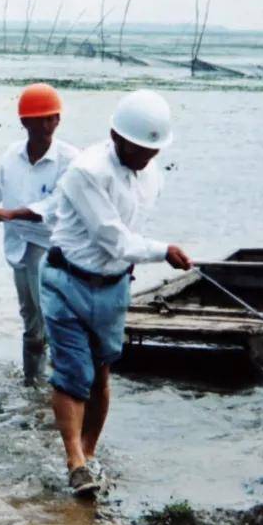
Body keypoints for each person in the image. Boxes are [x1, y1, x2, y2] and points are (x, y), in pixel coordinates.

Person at [39, 89, 192, 498]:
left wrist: (151, 252)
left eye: (152, 151)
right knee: (73, 374)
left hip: (113, 286)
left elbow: (130, 233)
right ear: (115, 136)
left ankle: (87, 457)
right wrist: (164, 251)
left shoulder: (152, 174)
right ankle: (74, 460)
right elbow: (114, 238)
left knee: (102, 373)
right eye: (139, 148)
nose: (145, 158)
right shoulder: (86, 171)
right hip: (66, 281)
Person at [0, 83, 78, 386]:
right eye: (38, 119)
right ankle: (33, 384)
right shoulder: (13, 154)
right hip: (19, 245)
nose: (45, 125)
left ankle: (59, 382)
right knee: (30, 317)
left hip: (51, 248)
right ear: (24, 122)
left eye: (51, 118)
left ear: (58, 120)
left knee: (49, 317)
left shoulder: (69, 159)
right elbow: (0, 186)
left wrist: (11, 213)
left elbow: (56, 205)